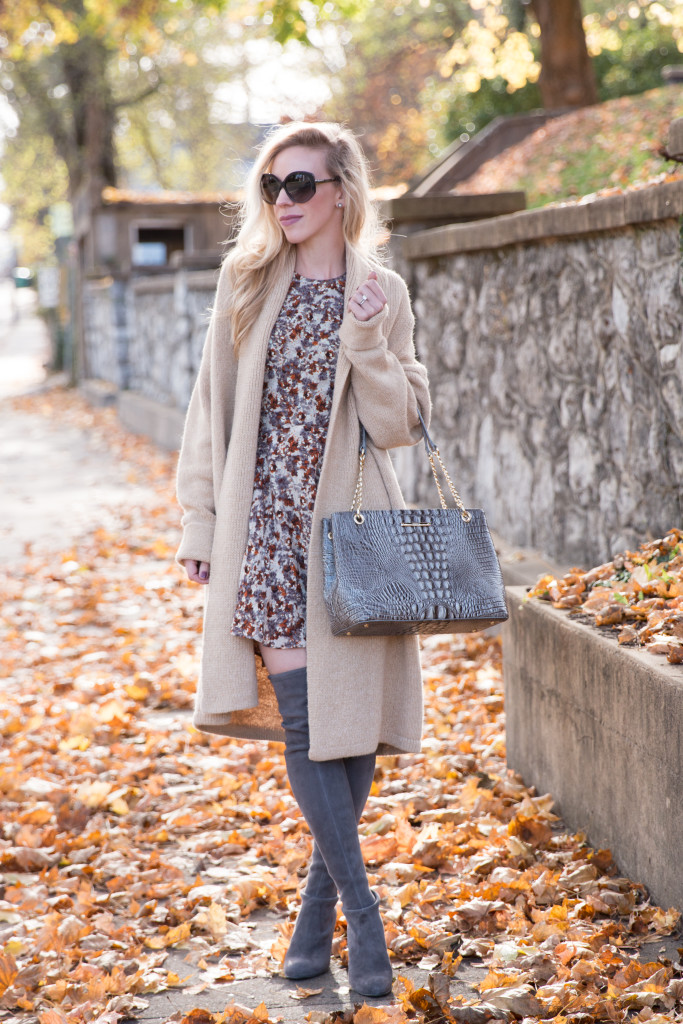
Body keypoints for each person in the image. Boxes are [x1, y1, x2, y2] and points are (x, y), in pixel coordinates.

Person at [176, 121, 430, 997]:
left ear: (341, 193)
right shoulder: (245, 282)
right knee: (306, 725)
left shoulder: (382, 291)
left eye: (299, 186)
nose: (282, 202)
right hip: (265, 538)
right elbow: (208, 408)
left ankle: (314, 912)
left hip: (349, 537)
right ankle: (364, 916)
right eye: (271, 187)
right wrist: (200, 525)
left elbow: (400, 426)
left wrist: (364, 340)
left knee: (349, 733)